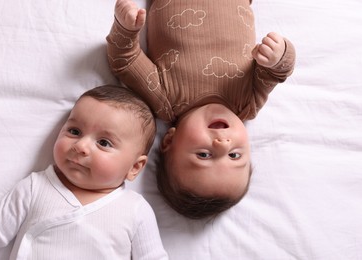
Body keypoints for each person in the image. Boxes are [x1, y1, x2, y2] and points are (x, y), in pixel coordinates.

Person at [106, 0, 296, 219]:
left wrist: (125, 29)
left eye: (204, 154)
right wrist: (279, 56)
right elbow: (276, 74)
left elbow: (124, 61)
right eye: (234, 155)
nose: (223, 144)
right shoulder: (247, 103)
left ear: (169, 141)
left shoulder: (164, 99)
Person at [0, 85, 168, 259]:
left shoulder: (135, 210)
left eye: (103, 143)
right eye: (74, 131)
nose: (81, 146)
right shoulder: (35, 188)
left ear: (134, 167)